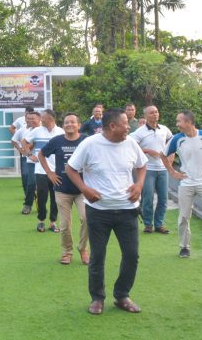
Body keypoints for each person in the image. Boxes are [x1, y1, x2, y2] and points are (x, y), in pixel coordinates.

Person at [66, 108, 147, 315]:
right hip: (99, 211)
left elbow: (142, 165)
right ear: (112, 126)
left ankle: (122, 296)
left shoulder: (130, 143)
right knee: (98, 256)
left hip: (127, 210)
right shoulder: (90, 144)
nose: (129, 127)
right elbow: (70, 168)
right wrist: (84, 189)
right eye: (126, 124)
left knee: (131, 255)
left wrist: (139, 185)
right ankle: (97, 298)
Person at [160, 110, 202, 259]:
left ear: (189, 122)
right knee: (183, 216)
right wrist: (172, 172)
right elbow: (163, 155)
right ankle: (184, 247)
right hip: (186, 182)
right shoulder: (177, 139)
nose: (177, 124)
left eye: (179, 121)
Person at [39, 112, 89, 265]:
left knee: (87, 219)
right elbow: (41, 154)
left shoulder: (87, 141)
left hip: (83, 190)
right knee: (65, 224)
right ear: (63, 125)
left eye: (73, 122)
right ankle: (67, 252)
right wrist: (49, 173)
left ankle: (83, 249)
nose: (69, 125)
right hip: (62, 189)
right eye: (67, 122)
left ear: (78, 125)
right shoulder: (57, 141)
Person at [130, 105, 172, 234]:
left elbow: (172, 141)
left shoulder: (164, 129)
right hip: (148, 169)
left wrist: (170, 158)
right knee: (148, 198)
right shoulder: (139, 132)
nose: (155, 114)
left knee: (163, 198)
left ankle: (159, 224)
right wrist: (147, 150)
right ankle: (148, 224)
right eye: (152, 112)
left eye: (156, 112)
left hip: (163, 169)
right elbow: (131, 146)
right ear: (146, 116)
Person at [23, 109, 63, 232]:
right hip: (41, 170)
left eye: (43, 118)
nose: (41, 120)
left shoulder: (61, 132)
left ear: (50, 118)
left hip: (57, 171)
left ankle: (53, 222)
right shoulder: (37, 131)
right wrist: (29, 154)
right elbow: (24, 142)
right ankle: (41, 221)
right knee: (41, 197)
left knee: (56, 198)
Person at [13, 112, 38, 215]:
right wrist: (26, 152)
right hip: (30, 160)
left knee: (45, 186)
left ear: (39, 119)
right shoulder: (24, 130)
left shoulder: (45, 130)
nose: (30, 121)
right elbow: (20, 142)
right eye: (28, 119)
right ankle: (28, 204)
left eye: (33, 119)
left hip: (47, 162)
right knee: (29, 181)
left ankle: (42, 206)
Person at [10, 107, 34, 207]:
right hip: (25, 155)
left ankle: (37, 201)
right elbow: (14, 138)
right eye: (27, 117)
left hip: (39, 157)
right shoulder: (21, 127)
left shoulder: (40, 128)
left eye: (31, 117)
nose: (29, 119)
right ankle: (27, 196)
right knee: (25, 175)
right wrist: (21, 149)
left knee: (36, 180)